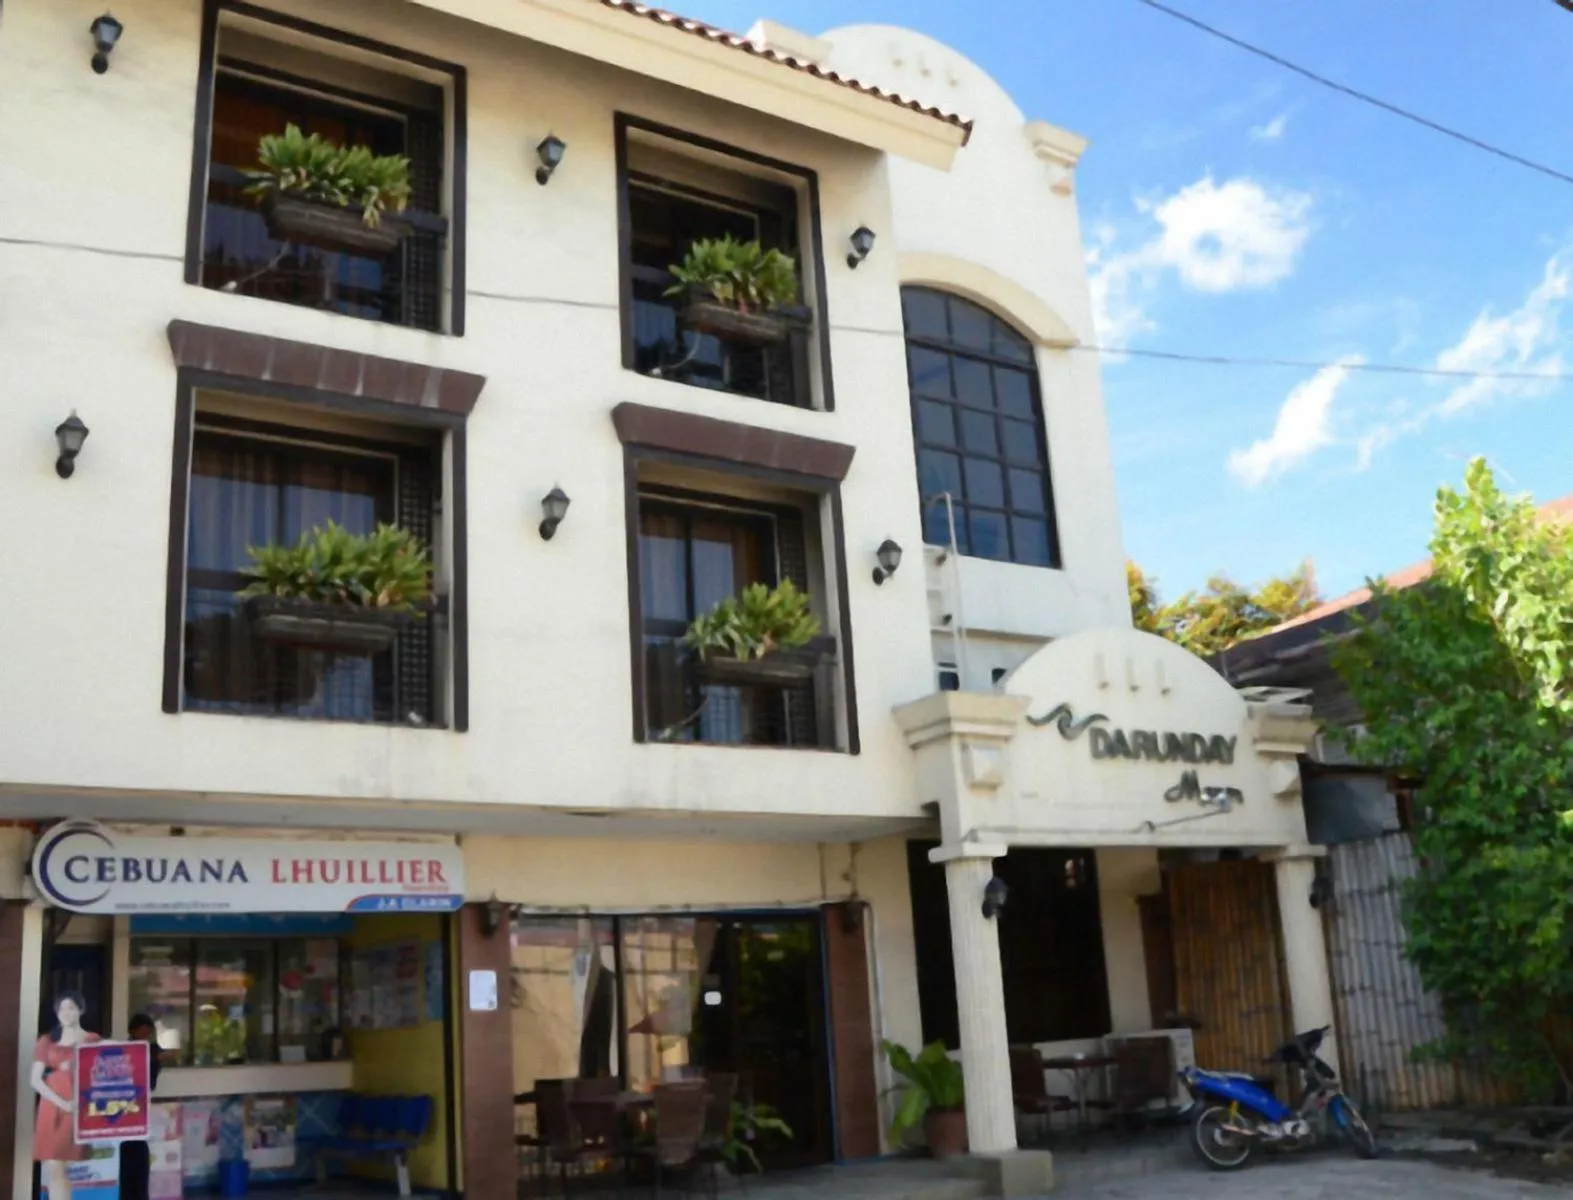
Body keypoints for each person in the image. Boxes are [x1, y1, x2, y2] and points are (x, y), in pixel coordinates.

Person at [31, 992, 100, 1200]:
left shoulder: (92, 1040)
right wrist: (61, 1103)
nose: (66, 1013)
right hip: (52, 1107)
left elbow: (106, 1067)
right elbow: (35, 1080)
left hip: (77, 1107)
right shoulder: (47, 1041)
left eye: (71, 1008)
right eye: (62, 1009)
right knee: (53, 1165)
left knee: (62, 1164)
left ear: (80, 1010)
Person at [118, 1014, 163, 1200]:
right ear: (133, 1030)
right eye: (142, 1030)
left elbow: (151, 1079)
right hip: (122, 1110)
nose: (145, 1034)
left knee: (138, 1151)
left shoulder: (151, 1050)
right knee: (128, 1154)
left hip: (140, 1109)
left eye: (148, 1030)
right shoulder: (125, 1050)